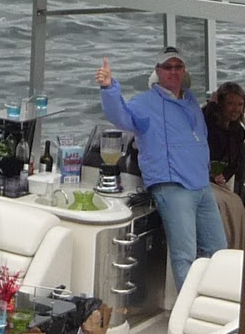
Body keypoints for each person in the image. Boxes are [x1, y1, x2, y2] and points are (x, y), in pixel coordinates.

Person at [96, 47, 226, 289]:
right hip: (173, 186)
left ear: (184, 71)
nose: (173, 72)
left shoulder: (191, 102)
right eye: (168, 67)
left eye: (178, 67)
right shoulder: (145, 103)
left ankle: (211, 304)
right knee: (184, 255)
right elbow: (120, 116)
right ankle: (187, 311)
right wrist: (109, 87)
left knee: (218, 250)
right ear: (158, 71)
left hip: (201, 185)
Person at [203, 81, 245, 248]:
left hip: (218, 182)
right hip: (201, 179)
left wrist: (224, 175)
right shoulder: (207, 125)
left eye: (240, 104)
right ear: (221, 104)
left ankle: (236, 246)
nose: (235, 109)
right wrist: (212, 105)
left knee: (236, 203)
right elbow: (204, 117)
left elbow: (235, 163)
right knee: (227, 204)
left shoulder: (238, 132)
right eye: (230, 104)